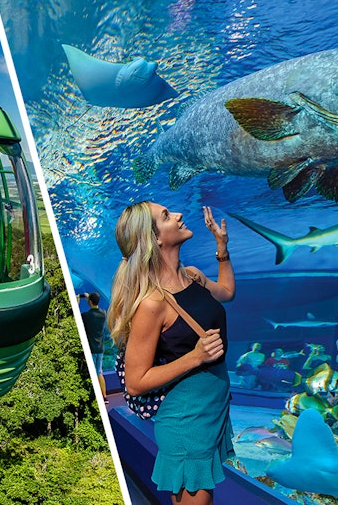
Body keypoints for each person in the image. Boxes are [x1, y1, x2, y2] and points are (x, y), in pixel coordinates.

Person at [107, 201, 236, 505]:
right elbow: (136, 382)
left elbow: (227, 293)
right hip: (186, 420)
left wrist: (222, 248)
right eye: (166, 216)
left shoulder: (191, 276)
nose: (177, 215)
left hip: (211, 408)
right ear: (155, 239)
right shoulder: (152, 304)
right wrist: (195, 357)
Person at [79, 292, 109, 403]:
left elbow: (78, 317)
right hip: (100, 348)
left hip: (90, 349)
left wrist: (77, 302)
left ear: (90, 302)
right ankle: (104, 396)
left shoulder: (86, 316)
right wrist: (90, 298)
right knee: (99, 372)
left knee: (92, 373)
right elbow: (96, 307)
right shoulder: (103, 313)